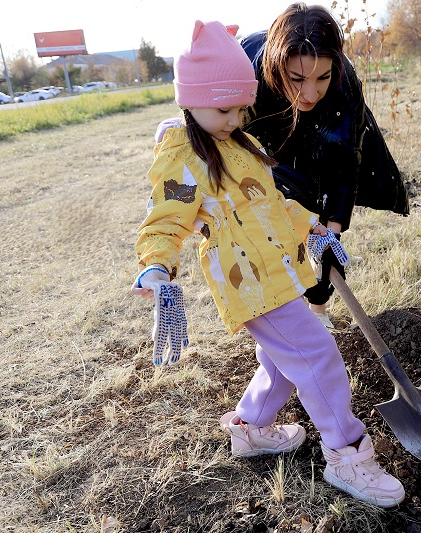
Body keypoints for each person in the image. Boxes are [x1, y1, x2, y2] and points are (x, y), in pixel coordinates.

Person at [132, 19, 405, 508]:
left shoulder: (236, 144)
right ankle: (347, 454)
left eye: (242, 107)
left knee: (284, 360)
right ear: (188, 100)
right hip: (249, 284)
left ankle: (250, 429)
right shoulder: (185, 156)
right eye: (223, 108)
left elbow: (273, 205)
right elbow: (166, 219)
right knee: (318, 356)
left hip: (278, 274)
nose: (236, 117)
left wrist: (316, 229)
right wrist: (157, 266)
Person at [156, 3, 409, 329]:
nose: (310, 92)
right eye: (298, 78)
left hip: (323, 138)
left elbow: (345, 160)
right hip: (264, 141)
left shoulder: (343, 84)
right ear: (278, 65)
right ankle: (290, 307)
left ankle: (318, 311)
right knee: (278, 215)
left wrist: (332, 231)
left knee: (321, 225)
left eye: (322, 77)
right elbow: (220, 129)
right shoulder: (247, 68)